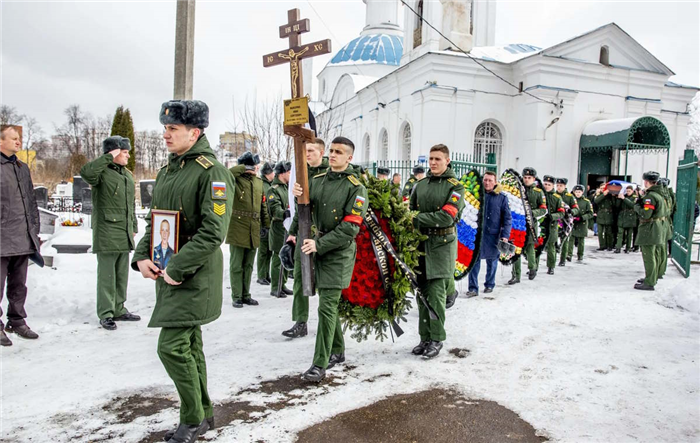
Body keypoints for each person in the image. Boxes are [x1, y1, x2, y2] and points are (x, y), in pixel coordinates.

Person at [132, 100, 232, 443]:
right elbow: (155, 220)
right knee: (189, 344)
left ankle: (191, 419)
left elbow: (212, 233)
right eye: (165, 128)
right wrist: (141, 255)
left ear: (195, 132)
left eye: (173, 128)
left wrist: (177, 267)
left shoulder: (211, 172)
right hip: (168, 269)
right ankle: (203, 414)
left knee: (171, 347)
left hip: (194, 273)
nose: (165, 134)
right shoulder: (169, 170)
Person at [291, 136, 367, 382]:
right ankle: (338, 350)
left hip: (338, 252)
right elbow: (306, 209)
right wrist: (298, 195)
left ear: (349, 158)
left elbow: (350, 228)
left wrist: (319, 244)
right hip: (317, 249)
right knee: (327, 304)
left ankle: (319, 364)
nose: (333, 155)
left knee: (326, 308)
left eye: (339, 152)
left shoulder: (356, 187)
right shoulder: (318, 180)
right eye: (331, 151)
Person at [409, 144, 465, 359]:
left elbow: (446, 217)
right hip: (420, 245)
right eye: (431, 159)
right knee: (421, 293)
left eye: (438, 159)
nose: (433, 162)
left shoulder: (456, 187)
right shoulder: (420, 185)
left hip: (442, 246)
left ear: (447, 161)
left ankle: (436, 339)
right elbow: (411, 210)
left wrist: (417, 218)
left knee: (435, 294)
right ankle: (424, 338)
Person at [80, 135, 140, 331]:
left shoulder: (127, 175)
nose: (128, 156)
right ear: (113, 153)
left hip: (123, 231)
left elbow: (130, 204)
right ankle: (106, 313)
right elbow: (86, 173)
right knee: (107, 276)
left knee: (121, 275)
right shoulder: (102, 172)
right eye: (124, 152)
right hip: (107, 231)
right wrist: (108, 157)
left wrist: (133, 227)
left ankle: (119, 308)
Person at [0, 125, 41, 346]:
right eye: (13, 138)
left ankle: (16, 321)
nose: (18, 142)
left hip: (22, 237)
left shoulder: (22, 167)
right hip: (2, 237)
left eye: (19, 139)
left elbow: (30, 201)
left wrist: (34, 229)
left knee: (19, 284)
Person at [283, 138, 329, 339]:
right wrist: (292, 234)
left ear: (321, 152)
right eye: (305, 151)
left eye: (311, 150)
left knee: (327, 283)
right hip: (304, 233)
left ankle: (331, 324)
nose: (307, 154)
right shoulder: (301, 174)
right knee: (301, 280)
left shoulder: (331, 173)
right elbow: (301, 210)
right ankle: (300, 322)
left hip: (323, 235)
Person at [227, 152, 269, 309]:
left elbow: (263, 205)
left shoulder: (259, 182)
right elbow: (226, 174)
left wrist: (266, 225)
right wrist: (244, 168)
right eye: (253, 165)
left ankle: (246, 295)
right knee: (237, 264)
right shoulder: (235, 179)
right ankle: (236, 296)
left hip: (254, 225)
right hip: (238, 225)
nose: (256, 168)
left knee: (249, 264)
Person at [466, 171, 511, 296]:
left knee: (492, 261)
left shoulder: (501, 198)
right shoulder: (476, 195)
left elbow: (507, 219)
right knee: (474, 261)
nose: (487, 183)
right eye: (485, 180)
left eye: (490, 180)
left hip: (493, 235)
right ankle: (473, 288)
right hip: (478, 235)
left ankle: (490, 284)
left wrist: (505, 236)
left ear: (495, 182)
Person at [508, 167, 547, 284]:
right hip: (518, 224)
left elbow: (544, 209)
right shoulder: (517, 190)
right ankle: (516, 275)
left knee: (530, 247)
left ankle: (532, 268)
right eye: (525, 177)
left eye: (529, 178)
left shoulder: (539, 192)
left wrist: (531, 213)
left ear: (534, 179)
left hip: (531, 224)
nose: (526, 180)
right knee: (516, 249)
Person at [633, 171, 668, 291]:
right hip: (658, 227)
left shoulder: (651, 196)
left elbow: (646, 214)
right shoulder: (660, 194)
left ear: (647, 182)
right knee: (654, 254)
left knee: (649, 255)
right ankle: (651, 277)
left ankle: (649, 282)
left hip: (650, 228)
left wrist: (637, 206)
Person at [267, 161, 293, 298]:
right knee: (278, 258)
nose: (291, 175)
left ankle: (282, 284)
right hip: (279, 227)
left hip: (288, 227)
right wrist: (284, 213)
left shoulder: (287, 187)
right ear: (282, 173)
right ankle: (275, 286)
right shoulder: (274, 189)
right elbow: (274, 208)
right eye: (289, 172)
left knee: (288, 255)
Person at [541, 175, 565, 275]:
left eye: (549, 184)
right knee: (537, 246)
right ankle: (533, 268)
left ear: (553, 185)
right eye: (545, 184)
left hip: (552, 226)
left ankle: (551, 266)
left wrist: (552, 216)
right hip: (541, 225)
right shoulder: (540, 195)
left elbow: (562, 213)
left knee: (551, 247)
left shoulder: (557, 198)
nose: (546, 186)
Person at [256, 162, 274, 286]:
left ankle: (266, 274)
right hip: (263, 223)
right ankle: (261, 275)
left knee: (268, 251)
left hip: (269, 222)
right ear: (268, 173)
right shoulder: (262, 185)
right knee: (263, 251)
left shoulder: (269, 185)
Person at [555, 178, 579, 266]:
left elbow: (576, 208)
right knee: (553, 240)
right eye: (557, 185)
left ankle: (562, 259)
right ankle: (552, 259)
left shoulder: (570, 197)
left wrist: (571, 212)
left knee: (564, 240)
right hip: (556, 220)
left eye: (561, 186)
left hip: (566, 221)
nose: (558, 187)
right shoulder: (554, 195)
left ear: (565, 186)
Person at [570, 185, 594, 261]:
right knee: (571, 239)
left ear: (582, 192)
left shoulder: (586, 202)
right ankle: (569, 254)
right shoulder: (572, 200)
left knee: (581, 241)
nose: (578, 193)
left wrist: (582, 218)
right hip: (572, 222)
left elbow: (590, 213)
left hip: (582, 223)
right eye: (576, 192)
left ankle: (580, 255)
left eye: (579, 192)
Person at [594, 184, 618, 251]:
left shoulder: (610, 196)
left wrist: (613, 196)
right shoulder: (599, 195)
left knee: (609, 232)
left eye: (604, 188)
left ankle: (609, 245)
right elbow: (596, 201)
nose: (602, 189)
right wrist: (603, 195)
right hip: (601, 214)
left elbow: (615, 204)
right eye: (601, 188)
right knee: (600, 232)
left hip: (609, 215)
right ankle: (602, 245)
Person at [614, 186, 637, 253]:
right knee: (620, 233)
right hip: (622, 216)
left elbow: (632, 205)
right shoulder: (624, 196)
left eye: (629, 191)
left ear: (632, 191)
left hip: (630, 216)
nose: (628, 192)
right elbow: (617, 206)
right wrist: (619, 198)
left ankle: (628, 247)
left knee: (629, 234)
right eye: (627, 191)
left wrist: (624, 199)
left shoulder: (634, 197)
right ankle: (618, 247)